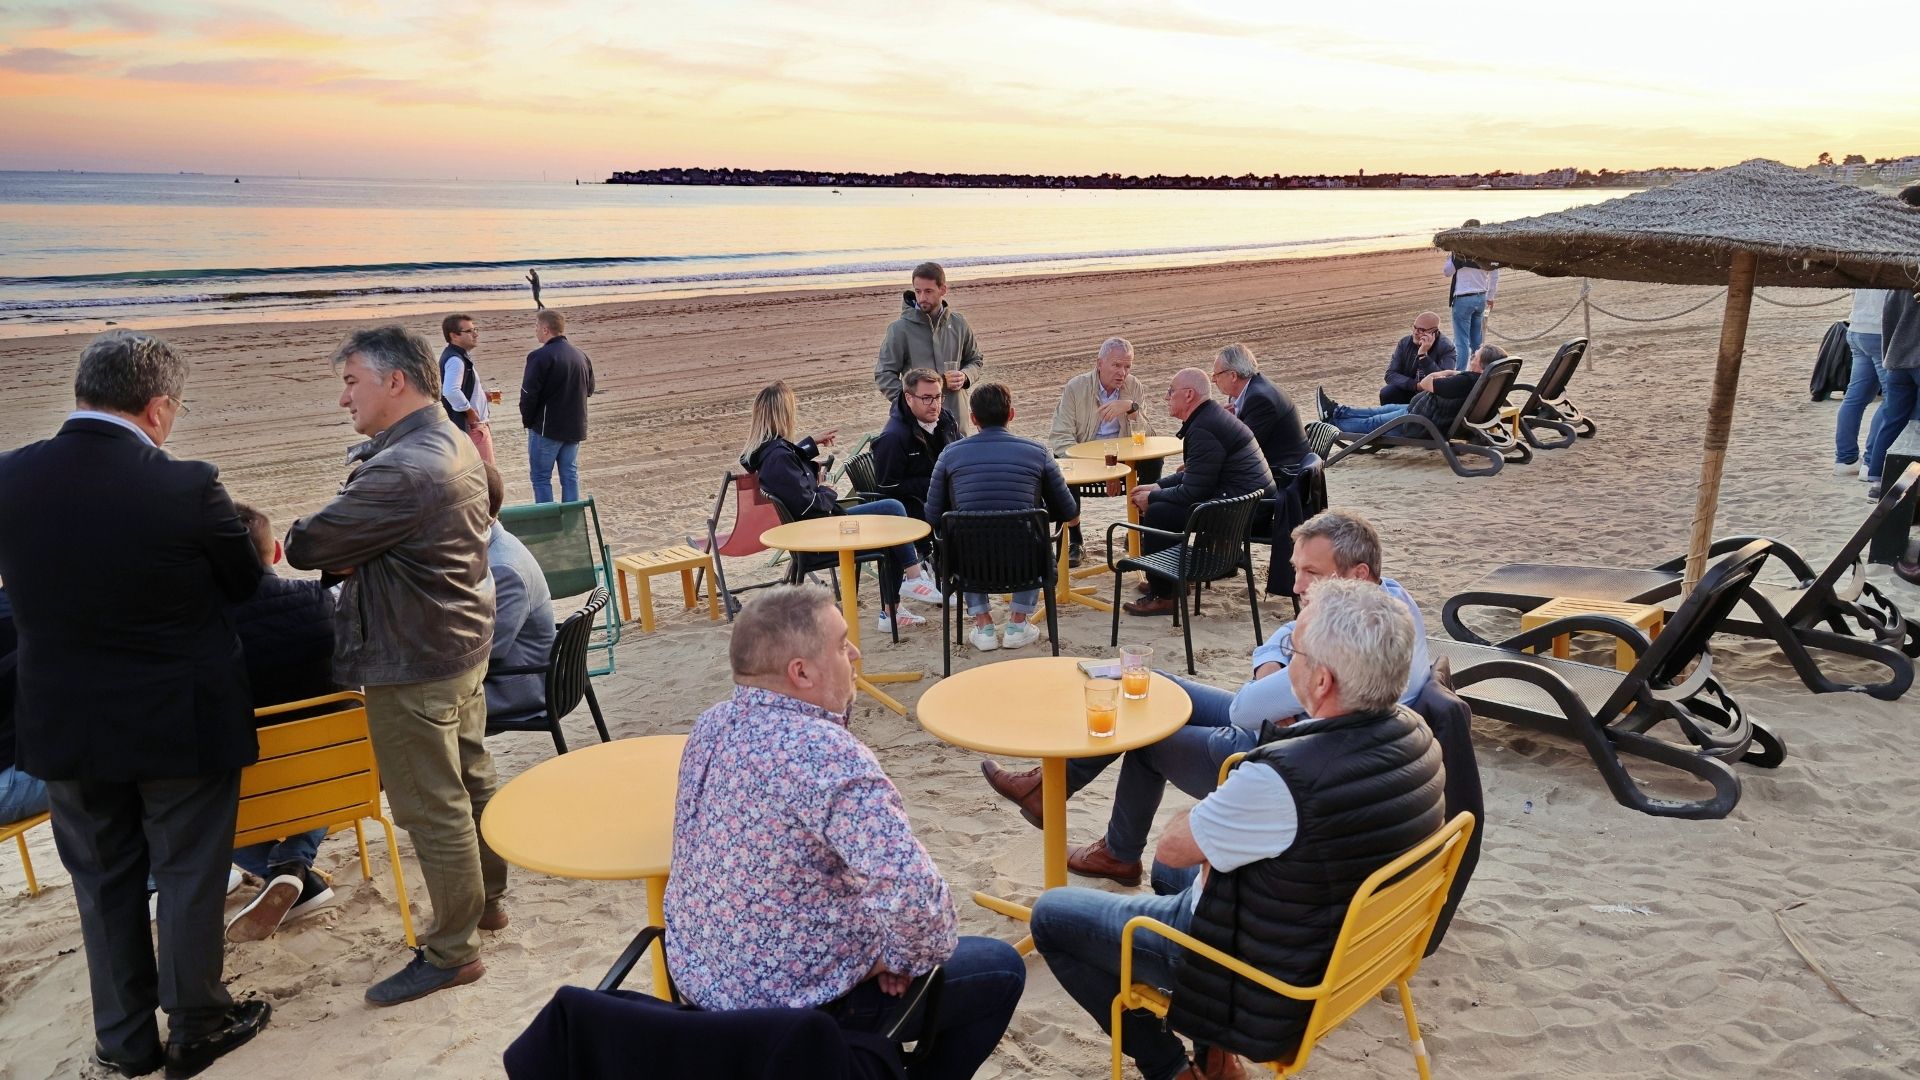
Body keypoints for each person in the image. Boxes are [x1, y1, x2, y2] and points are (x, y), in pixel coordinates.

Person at [1030, 576, 1444, 1080]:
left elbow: (1177, 844)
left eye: (1296, 652)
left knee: (1053, 914)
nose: (1289, 661)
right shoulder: (1418, 738)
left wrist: (1222, 806)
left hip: (1264, 978)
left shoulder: (1285, 777)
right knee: (1168, 871)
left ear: (1320, 683)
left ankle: (1167, 1069)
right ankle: (1214, 1057)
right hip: (1342, 953)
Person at [0, 330, 271, 1077]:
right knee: (188, 872)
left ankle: (124, 1040)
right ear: (157, 409)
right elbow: (248, 582)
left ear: (82, 393)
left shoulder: (9, 478)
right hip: (179, 717)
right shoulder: (187, 486)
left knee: (102, 881)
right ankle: (198, 1025)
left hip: (64, 722)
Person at [665, 583, 1025, 1079]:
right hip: (784, 1018)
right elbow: (920, 907)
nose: (855, 653)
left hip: (698, 995)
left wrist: (877, 949)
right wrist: (894, 958)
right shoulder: (825, 755)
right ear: (801, 672)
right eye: (840, 643)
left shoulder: (711, 725)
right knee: (1001, 969)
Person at [984, 508, 1432, 885]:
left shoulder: (1348, 650)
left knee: (1149, 734)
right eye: (1297, 569)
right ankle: (1047, 790)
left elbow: (1246, 709)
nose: (1296, 585)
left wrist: (1279, 678)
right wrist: (1277, 663)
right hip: (1305, 727)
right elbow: (1277, 639)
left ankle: (1118, 853)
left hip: (1288, 748)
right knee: (1154, 682)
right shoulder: (1387, 603)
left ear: (1357, 574)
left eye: (1311, 573)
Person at [285, 324, 507, 1007]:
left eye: (351, 382)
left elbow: (306, 543)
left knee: (429, 805)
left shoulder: (404, 467)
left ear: (395, 382)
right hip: (456, 641)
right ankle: (487, 904)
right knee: (468, 781)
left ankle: (453, 950)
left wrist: (350, 546)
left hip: (413, 657)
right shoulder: (449, 444)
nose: (343, 398)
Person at [741, 381, 945, 634]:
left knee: (890, 516)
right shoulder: (778, 457)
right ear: (783, 414)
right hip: (819, 534)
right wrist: (826, 489)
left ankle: (899, 600)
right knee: (891, 511)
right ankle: (912, 580)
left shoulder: (767, 452)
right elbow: (809, 506)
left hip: (815, 528)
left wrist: (809, 445)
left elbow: (789, 464)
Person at [222, 503, 339, 944]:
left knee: (188, 801)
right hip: (335, 783)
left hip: (246, 798)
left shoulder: (201, 633)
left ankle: (288, 870)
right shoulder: (319, 602)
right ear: (274, 551)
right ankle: (293, 867)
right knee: (330, 740)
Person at [923, 382, 1080, 652]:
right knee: (1033, 532)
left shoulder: (949, 455)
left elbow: (933, 517)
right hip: (1027, 565)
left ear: (973, 419)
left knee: (962, 532)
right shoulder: (1038, 452)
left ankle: (983, 624)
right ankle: (1018, 622)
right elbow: (1068, 511)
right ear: (1012, 414)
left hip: (967, 567)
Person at [1123, 369, 1274, 617]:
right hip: (1247, 503)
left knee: (1160, 513)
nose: (1166, 397)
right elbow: (1198, 474)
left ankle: (1166, 595)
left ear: (1189, 394)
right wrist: (1158, 486)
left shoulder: (1204, 427)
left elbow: (1193, 490)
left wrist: (1152, 498)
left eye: (1171, 392)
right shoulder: (1208, 419)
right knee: (1162, 504)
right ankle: (1169, 578)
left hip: (1241, 512)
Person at [1049, 337, 1162, 566]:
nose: (1122, 372)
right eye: (1116, 365)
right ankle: (1075, 540)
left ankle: (1138, 528)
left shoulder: (1133, 386)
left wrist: (1131, 409)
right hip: (1085, 459)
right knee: (1061, 464)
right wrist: (1104, 465)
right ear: (1099, 363)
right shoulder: (1076, 387)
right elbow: (1061, 439)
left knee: (1155, 460)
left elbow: (1147, 439)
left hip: (1124, 460)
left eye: (1127, 366)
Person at [479, 463, 555, 726]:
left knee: (417, 710)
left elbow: (485, 651)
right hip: (515, 675)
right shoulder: (497, 545)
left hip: (517, 687)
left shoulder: (503, 568)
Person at [874, 261, 985, 435]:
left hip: (956, 418)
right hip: (917, 426)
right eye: (918, 291)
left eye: (928, 291)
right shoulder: (899, 329)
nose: (922, 298)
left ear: (943, 290)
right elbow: (884, 374)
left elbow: (975, 359)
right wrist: (910, 401)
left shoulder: (958, 323)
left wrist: (966, 375)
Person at [1864, 184, 1920, 499]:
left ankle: (1876, 477)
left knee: (1893, 417)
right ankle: (1906, 482)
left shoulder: (1896, 276)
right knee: (1916, 424)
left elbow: (1888, 323)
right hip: (1916, 358)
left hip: (1897, 359)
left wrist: (1888, 357)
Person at [1318, 344, 1506, 436]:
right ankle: (1335, 411)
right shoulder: (1483, 381)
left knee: (1372, 423)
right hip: (1420, 413)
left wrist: (1446, 372)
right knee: (1377, 411)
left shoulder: (1465, 382)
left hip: (1419, 424)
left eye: (1476, 356)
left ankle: (1332, 424)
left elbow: (1425, 383)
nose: (1472, 357)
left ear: (1482, 366)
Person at [870, 366, 964, 520]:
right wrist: (935, 483)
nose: (935, 405)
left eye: (938, 396)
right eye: (927, 398)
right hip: (913, 511)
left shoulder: (945, 419)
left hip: (949, 499)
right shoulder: (893, 437)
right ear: (909, 398)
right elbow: (888, 486)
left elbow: (960, 451)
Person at [520, 308, 594, 503]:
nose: (535, 330)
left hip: (547, 428)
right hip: (574, 426)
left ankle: (549, 520)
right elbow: (589, 389)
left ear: (546, 329)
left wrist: (527, 421)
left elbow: (528, 394)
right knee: (569, 474)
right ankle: (571, 519)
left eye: (536, 326)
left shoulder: (540, 356)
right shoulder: (580, 355)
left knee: (541, 477)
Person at [1208, 343, 1308, 477]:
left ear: (1233, 376)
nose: (1214, 380)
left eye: (1216, 375)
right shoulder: (1251, 389)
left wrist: (1221, 423)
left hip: (1283, 475)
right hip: (1276, 467)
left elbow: (1245, 449)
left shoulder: (1260, 399)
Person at [1834, 289, 1891, 477]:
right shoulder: (1896, 264)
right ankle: (1870, 461)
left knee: (1855, 398)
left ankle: (1845, 459)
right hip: (1881, 331)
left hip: (1857, 328)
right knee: (1892, 400)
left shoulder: (1871, 263)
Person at [439, 313, 497, 466]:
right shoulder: (455, 360)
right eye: (470, 331)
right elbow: (450, 391)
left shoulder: (456, 356)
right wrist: (469, 410)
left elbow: (460, 390)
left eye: (475, 329)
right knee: (487, 477)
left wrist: (482, 396)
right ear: (454, 336)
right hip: (472, 428)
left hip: (472, 426)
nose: (475, 334)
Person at [1442, 226, 1498, 366]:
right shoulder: (1486, 252)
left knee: (1461, 341)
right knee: (1476, 340)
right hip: (1480, 297)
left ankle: (1460, 372)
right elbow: (1495, 274)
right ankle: (1478, 369)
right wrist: (1490, 296)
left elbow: (1447, 272)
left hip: (1463, 298)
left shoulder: (1460, 253)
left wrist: (1453, 257)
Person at [1378, 311, 1456, 405]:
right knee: (1387, 392)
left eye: (1421, 330)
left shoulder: (1446, 347)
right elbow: (1390, 374)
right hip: (1409, 389)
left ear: (1434, 332)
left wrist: (1423, 356)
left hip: (1431, 395)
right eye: (1414, 327)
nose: (1415, 332)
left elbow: (1444, 381)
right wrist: (1415, 385)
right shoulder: (1404, 343)